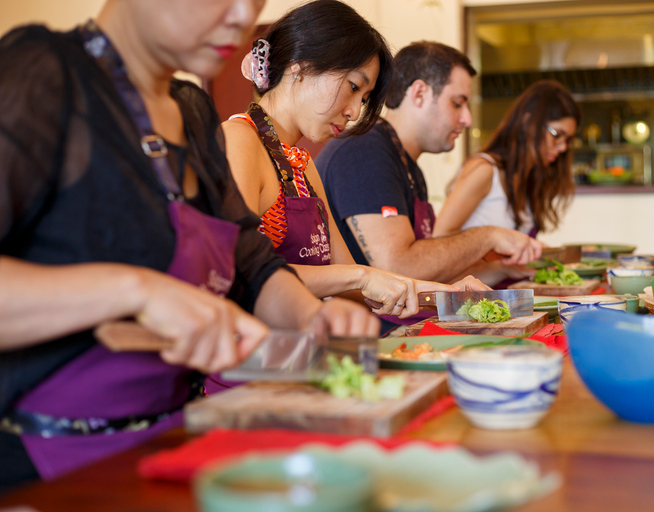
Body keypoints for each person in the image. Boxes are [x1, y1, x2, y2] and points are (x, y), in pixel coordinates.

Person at [0, 0, 378, 491]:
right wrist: (138, 291)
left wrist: (310, 317)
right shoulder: (43, 74)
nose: (244, 16)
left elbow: (249, 257)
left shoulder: (191, 110)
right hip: (50, 465)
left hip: (170, 444)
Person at [222, 0, 479, 323]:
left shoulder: (302, 166)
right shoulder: (239, 140)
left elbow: (352, 282)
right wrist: (359, 277)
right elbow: (234, 268)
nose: (355, 112)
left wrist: (450, 295)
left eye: (364, 99)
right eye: (354, 87)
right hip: (253, 363)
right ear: (299, 66)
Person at [315, 41, 543, 290]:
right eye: (457, 103)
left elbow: (424, 273)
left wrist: (495, 270)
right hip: (368, 327)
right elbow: (398, 268)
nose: (467, 119)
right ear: (420, 93)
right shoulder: (364, 151)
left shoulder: (408, 165)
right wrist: (489, 236)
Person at [433, 80, 581, 239]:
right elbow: (439, 240)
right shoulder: (484, 170)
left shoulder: (527, 177)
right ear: (528, 123)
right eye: (557, 135)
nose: (563, 147)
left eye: (568, 140)